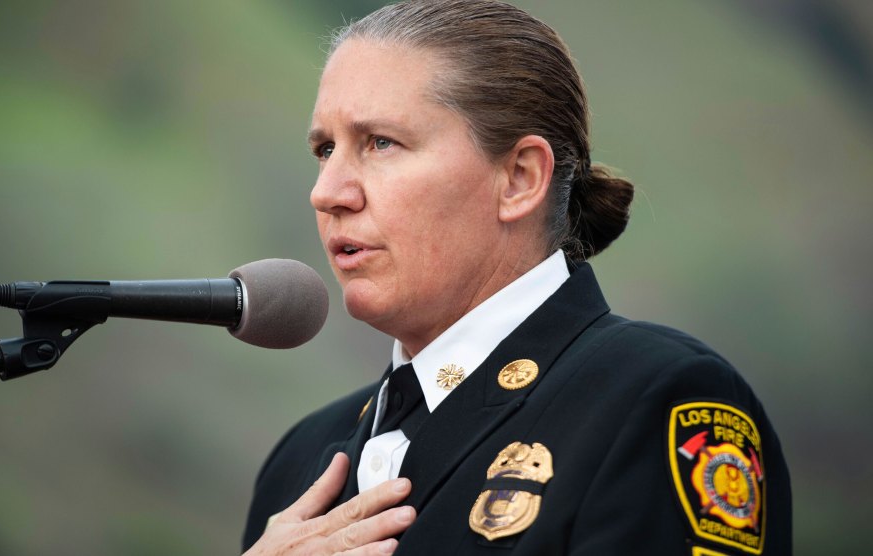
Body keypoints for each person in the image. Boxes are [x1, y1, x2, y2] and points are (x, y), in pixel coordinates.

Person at [242, 1, 791, 554]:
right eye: (324, 149)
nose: (328, 192)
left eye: (381, 143)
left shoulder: (656, 399)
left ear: (520, 179)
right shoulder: (298, 461)